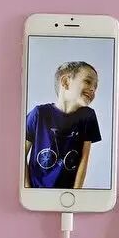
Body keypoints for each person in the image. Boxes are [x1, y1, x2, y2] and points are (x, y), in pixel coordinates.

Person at [24, 61, 101, 189]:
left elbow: (84, 159)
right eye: (88, 81)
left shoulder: (88, 116)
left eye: (95, 86)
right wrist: (27, 189)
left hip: (67, 194)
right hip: (36, 191)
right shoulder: (39, 114)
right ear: (65, 82)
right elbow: (20, 155)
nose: (93, 89)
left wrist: (76, 193)